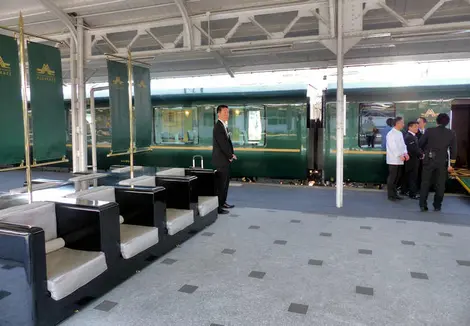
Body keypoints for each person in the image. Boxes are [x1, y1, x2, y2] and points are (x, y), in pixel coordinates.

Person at [418, 113, 457, 212]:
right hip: (442, 162)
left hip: (429, 160)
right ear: (447, 122)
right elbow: (454, 150)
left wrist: (425, 152)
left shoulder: (429, 131)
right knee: (440, 185)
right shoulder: (451, 133)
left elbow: (420, 143)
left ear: (437, 121)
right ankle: (437, 205)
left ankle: (423, 205)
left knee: (425, 183)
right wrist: (451, 164)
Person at [212, 105, 237, 214]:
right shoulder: (218, 127)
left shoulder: (223, 126)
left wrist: (231, 154)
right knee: (221, 185)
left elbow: (227, 143)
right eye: (225, 112)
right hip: (221, 161)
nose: (227, 114)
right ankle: (218, 207)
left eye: (228, 112)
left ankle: (223, 202)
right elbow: (223, 144)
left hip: (225, 160)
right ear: (219, 113)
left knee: (226, 183)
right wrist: (230, 155)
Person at [386, 117, 409, 201]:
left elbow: (403, 145)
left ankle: (395, 193)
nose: (403, 124)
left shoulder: (399, 133)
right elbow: (393, 147)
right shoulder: (391, 134)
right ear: (397, 123)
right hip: (393, 159)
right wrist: (400, 155)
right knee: (392, 177)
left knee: (397, 177)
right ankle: (390, 195)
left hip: (400, 159)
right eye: (402, 123)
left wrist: (405, 153)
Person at [401, 121, 423, 199]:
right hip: (412, 160)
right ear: (409, 127)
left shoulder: (413, 136)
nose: (417, 128)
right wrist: (422, 155)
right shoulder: (409, 137)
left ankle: (404, 191)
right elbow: (414, 149)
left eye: (417, 126)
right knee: (412, 177)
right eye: (415, 127)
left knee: (408, 176)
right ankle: (412, 193)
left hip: (412, 160)